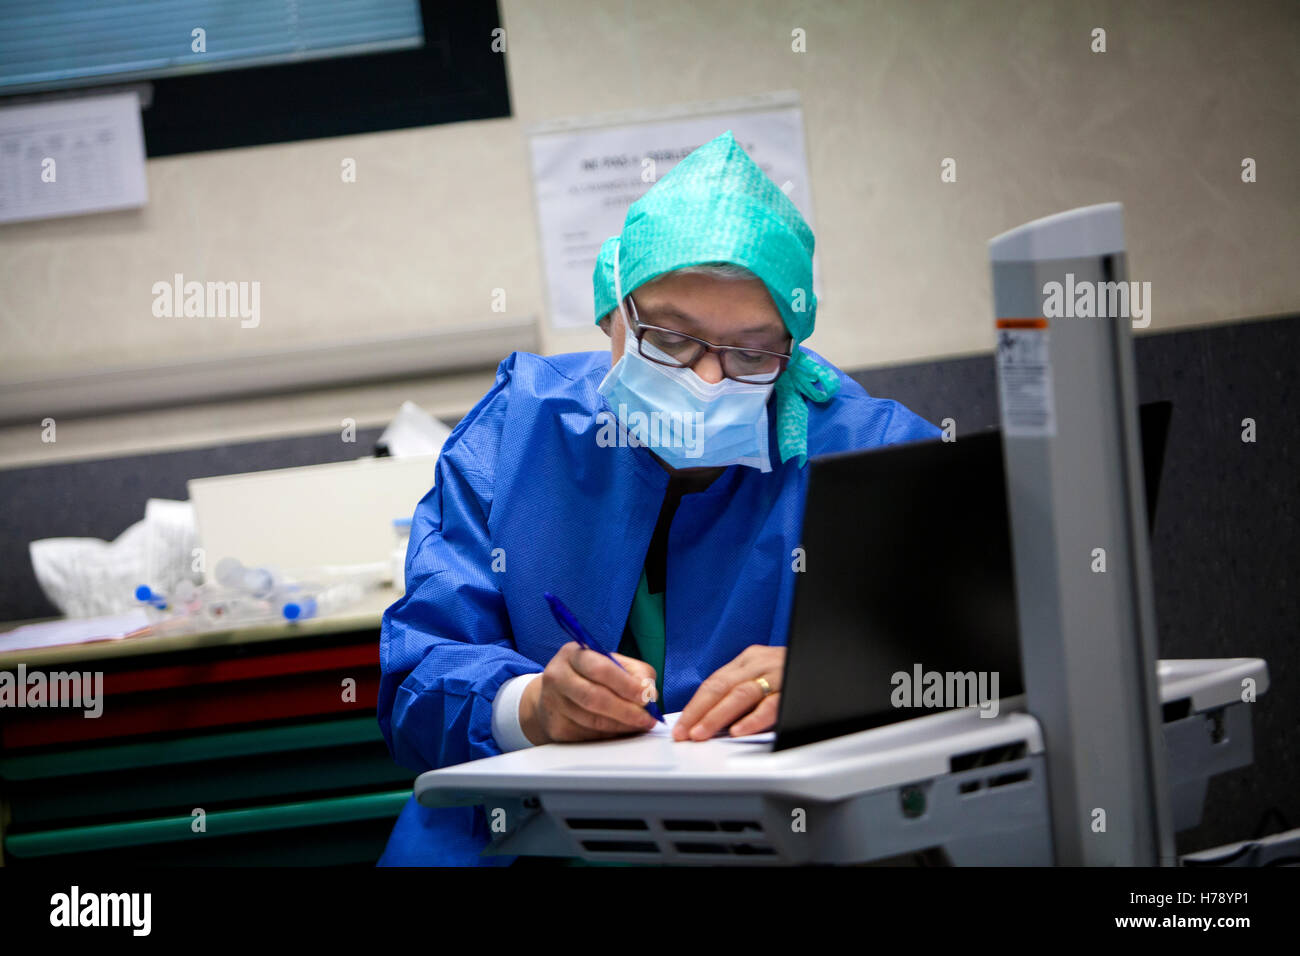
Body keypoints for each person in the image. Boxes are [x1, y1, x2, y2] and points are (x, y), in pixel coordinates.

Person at [376, 130, 940, 865]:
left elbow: (984, 645)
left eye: (750, 352)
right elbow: (418, 674)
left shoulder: (869, 448)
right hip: (531, 838)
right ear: (612, 313)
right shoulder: (520, 430)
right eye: (671, 340)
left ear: (791, 350)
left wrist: (836, 680)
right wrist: (533, 708)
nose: (708, 380)